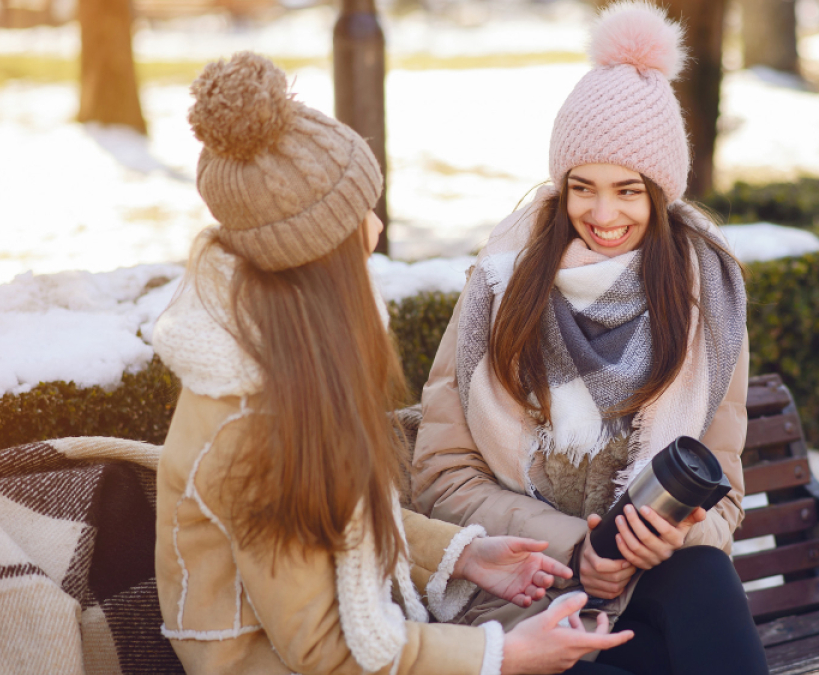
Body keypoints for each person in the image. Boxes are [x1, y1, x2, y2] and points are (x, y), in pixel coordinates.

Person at [152, 52, 632, 675]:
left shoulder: (274, 364)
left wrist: (463, 555)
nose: (375, 230)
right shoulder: (256, 427)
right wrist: (504, 655)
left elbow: (332, 523)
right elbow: (323, 648)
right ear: (315, 259)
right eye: (359, 216)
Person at [412, 4, 769, 674]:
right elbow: (440, 477)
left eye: (628, 191)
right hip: (526, 584)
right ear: (561, 184)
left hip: (652, 578)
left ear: (660, 194)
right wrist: (580, 548)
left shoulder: (707, 297)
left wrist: (670, 536)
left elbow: (724, 494)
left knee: (705, 579)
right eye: (583, 188)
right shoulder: (502, 282)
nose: (604, 216)